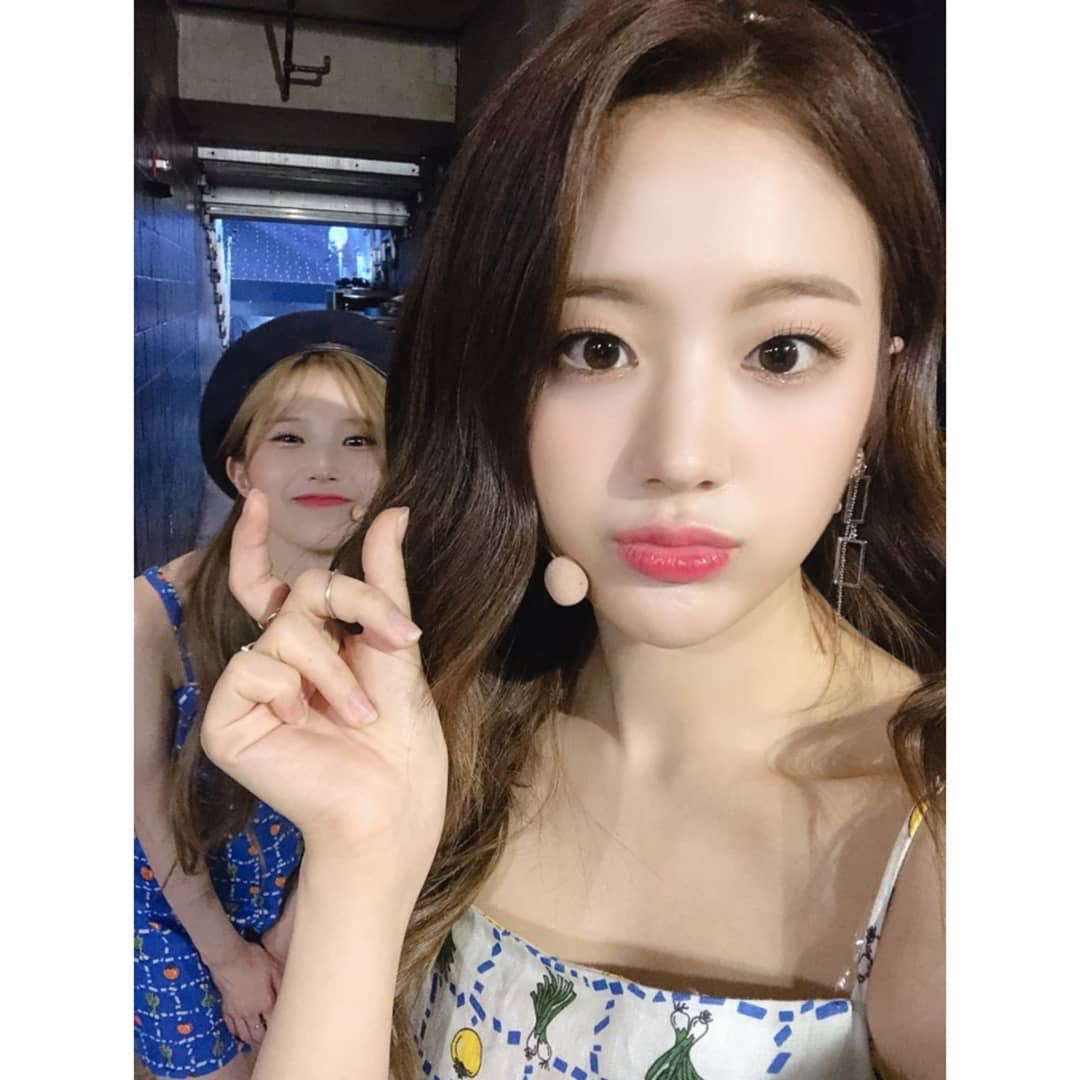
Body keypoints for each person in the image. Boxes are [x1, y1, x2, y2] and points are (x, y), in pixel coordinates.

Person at [201, 1, 945, 1077]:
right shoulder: (453, 733)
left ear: (880, 390)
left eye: (782, 351)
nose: (680, 455)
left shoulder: (941, 834)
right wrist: (361, 854)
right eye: (594, 347)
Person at [134, 311, 392, 1078]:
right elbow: (146, 808)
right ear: (242, 469)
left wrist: (286, 938)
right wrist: (229, 959)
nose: (325, 466)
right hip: (181, 910)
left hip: (313, 899)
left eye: (358, 441)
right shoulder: (149, 616)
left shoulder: (384, 617)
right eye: (289, 438)